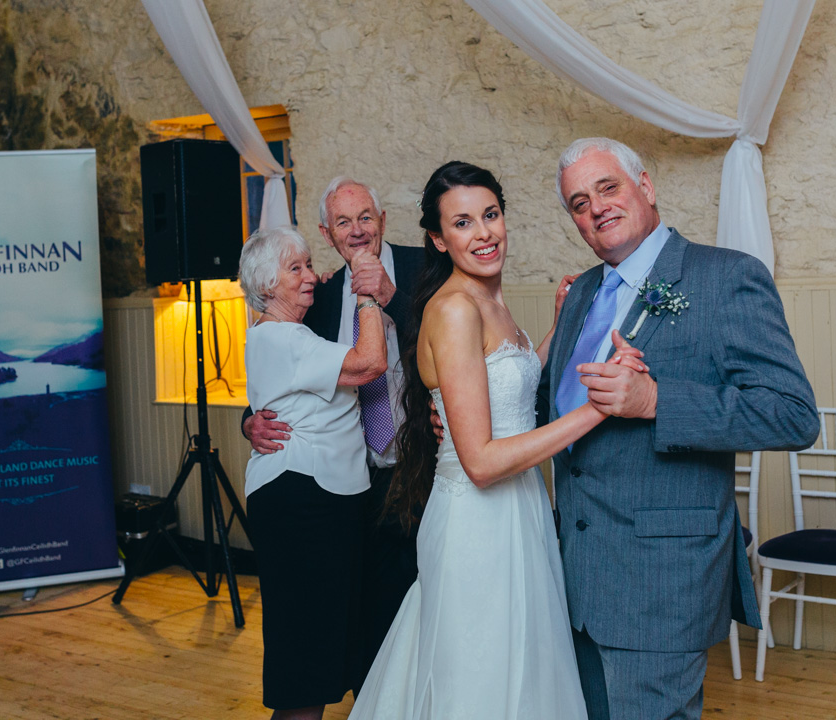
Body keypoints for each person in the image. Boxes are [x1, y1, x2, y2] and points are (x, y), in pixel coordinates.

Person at [347, 162, 644, 720]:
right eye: (463, 223)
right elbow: (481, 461)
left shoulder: (492, 303)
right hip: (476, 523)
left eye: (491, 215)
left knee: (524, 672)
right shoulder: (455, 309)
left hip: (522, 510)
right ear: (438, 239)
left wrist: (557, 327)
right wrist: (596, 411)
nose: (484, 233)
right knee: (480, 678)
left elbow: (505, 390)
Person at [540, 137, 820, 720]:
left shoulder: (727, 277)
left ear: (645, 186)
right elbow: (559, 410)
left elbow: (793, 413)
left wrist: (657, 401)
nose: (596, 207)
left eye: (608, 187)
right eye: (578, 202)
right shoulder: (582, 293)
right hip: (573, 572)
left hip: (660, 577)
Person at [242, 177, 425, 693]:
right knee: (356, 616)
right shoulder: (316, 296)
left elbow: (450, 340)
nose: (357, 230)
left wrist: (385, 295)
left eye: (366, 217)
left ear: (383, 221)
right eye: (343, 222)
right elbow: (276, 384)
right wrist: (249, 421)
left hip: (415, 468)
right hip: (345, 487)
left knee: (420, 603)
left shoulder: (421, 268)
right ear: (327, 232)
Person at [238, 226, 387, 720]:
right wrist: (366, 295)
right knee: (304, 660)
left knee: (316, 653)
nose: (310, 277)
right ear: (265, 287)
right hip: (301, 502)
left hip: (317, 499)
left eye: (308, 264)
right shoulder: (281, 337)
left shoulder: (280, 332)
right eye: (295, 269)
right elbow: (370, 363)